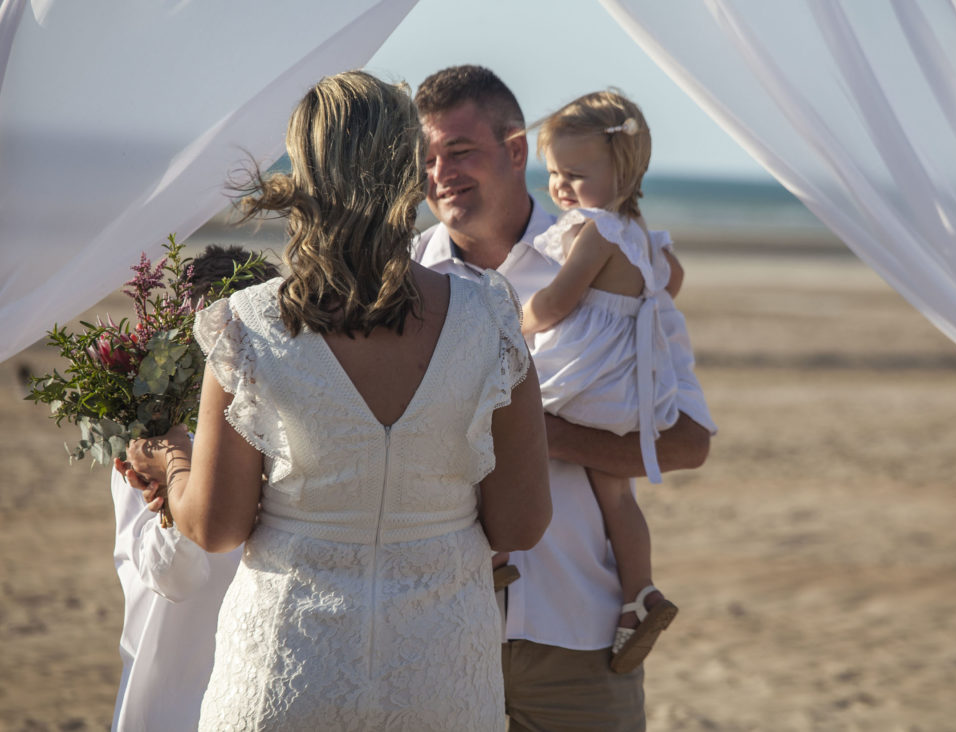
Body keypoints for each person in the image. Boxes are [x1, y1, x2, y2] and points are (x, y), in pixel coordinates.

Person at [123, 71, 551, 730]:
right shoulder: (488, 316)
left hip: (287, 669)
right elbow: (520, 524)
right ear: (410, 171)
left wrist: (172, 463)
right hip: (438, 674)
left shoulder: (249, 325)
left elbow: (216, 526)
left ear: (306, 175)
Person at [414, 65, 715, 730]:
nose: (441, 174)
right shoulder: (401, 288)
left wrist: (543, 434)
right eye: (427, 158)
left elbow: (690, 441)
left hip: (579, 636)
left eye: (460, 151)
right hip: (435, 633)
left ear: (516, 149)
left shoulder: (611, 267)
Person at [521, 90, 690, 674]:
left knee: (503, 429)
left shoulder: (598, 229)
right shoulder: (641, 232)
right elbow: (672, 280)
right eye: (552, 174)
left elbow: (556, 303)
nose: (561, 188)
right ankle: (638, 593)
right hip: (623, 387)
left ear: (622, 171)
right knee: (615, 496)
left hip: (581, 378)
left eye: (575, 174)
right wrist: (631, 308)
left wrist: (512, 319)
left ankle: (495, 553)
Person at [109, 245, 279, 732]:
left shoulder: (288, 430)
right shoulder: (148, 439)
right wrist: (176, 466)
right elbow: (171, 581)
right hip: (174, 697)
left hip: (268, 690)